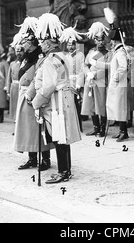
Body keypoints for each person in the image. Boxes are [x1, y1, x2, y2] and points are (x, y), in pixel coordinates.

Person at [32, 13, 82, 184]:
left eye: (41, 42)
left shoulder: (49, 60)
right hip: (66, 97)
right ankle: (66, 170)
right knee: (64, 135)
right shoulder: (63, 56)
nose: (41, 45)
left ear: (48, 41)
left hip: (56, 101)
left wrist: (36, 102)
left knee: (59, 135)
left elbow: (48, 86)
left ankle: (63, 172)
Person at [13, 17, 53, 171]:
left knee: (39, 128)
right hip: (24, 95)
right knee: (28, 129)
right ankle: (32, 158)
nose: (22, 44)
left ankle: (45, 159)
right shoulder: (26, 57)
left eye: (24, 42)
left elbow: (38, 78)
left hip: (34, 96)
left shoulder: (39, 58)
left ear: (30, 43)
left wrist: (31, 95)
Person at [91, 11, 129, 142]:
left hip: (119, 83)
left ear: (115, 41)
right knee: (118, 107)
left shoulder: (121, 52)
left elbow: (123, 67)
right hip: (117, 84)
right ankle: (121, 131)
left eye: (112, 40)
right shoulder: (117, 51)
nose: (111, 43)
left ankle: (124, 131)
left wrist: (115, 78)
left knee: (121, 107)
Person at [81, 22, 112, 138]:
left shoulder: (108, 53)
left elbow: (109, 67)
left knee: (101, 106)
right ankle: (96, 128)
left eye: (101, 39)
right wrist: (88, 73)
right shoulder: (90, 52)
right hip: (90, 81)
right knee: (92, 106)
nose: (100, 42)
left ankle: (103, 129)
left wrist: (95, 74)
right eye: (97, 39)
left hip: (101, 82)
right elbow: (84, 65)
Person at [65, 35, 85, 131]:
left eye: (72, 45)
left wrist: (79, 83)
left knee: (77, 105)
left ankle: (78, 126)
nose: (70, 47)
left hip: (77, 82)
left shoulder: (80, 55)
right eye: (68, 45)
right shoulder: (66, 56)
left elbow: (82, 70)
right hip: (68, 83)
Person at [6, 35, 24, 123]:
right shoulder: (12, 64)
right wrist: (8, 90)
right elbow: (8, 78)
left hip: (22, 88)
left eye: (20, 51)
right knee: (15, 107)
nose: (19, 53)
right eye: (17, 51)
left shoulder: (25, 63)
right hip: (14, 88)